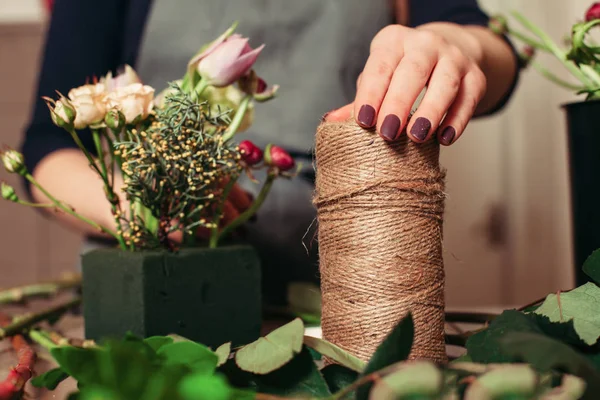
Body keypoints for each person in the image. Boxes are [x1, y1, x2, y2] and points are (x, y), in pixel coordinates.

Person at [21, 0, 519, 304]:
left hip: (345, 293)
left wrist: (454, 47)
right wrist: (145, 207)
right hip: (155, 288)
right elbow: (49, 145)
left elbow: (492, 50)